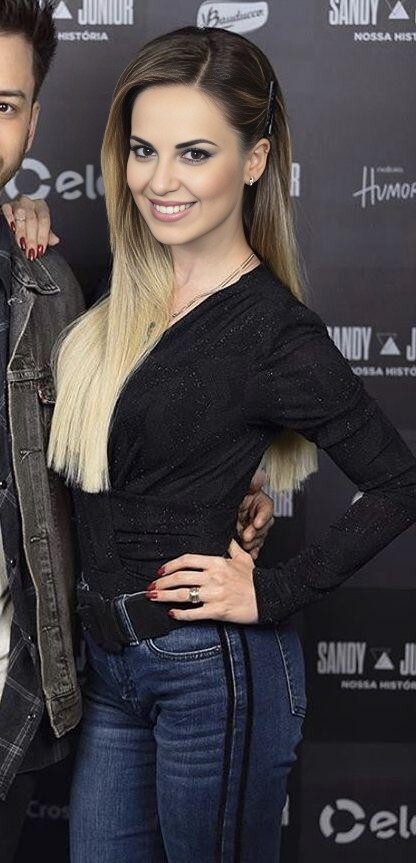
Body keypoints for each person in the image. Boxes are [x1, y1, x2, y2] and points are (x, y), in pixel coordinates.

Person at [36, 24, 416, 863]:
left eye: (195, 153)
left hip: (211, 674)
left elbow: (400, 481)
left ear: (254, 160)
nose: (159, 181)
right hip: (109, 669)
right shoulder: (120, 295)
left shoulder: (276, 332)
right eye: (143, 150)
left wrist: (275, 590)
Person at [0, 6, 275, 859]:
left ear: (32, 124)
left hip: (15, 697)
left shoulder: (47, 289)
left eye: (2, 105)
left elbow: (97, 457)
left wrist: (223, 495)